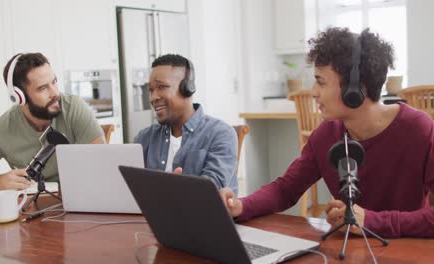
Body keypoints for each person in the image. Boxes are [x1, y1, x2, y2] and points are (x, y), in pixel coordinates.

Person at [220, 27, 434, 238]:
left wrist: (373, 221)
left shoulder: (419, 130)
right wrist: (241, 206)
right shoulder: (326, 135)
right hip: (348, 250)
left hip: (406, 251)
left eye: (320, 81)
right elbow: (285, 190)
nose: (313, 91)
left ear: (355, 89)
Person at [0, 53, 104, 191]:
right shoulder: (2, 129)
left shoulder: (73, 107)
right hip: (31, 207)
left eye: (54, 82)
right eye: (43, 88)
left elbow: (102, 162)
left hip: (79, 196)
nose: (55, 92)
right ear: (20, 97)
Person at [134, 54, 239, 194]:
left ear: (187, 88)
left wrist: (173, 190)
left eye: (162, 87)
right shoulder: (144, 137)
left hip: (201, 215)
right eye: (151, 90)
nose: (153, 97)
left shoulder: (220, 133)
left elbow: (211, 190)